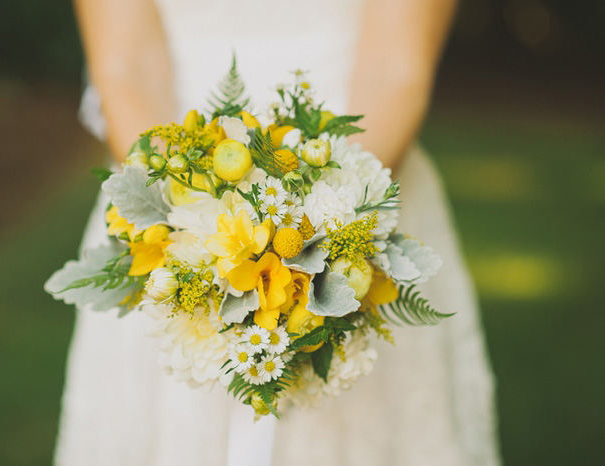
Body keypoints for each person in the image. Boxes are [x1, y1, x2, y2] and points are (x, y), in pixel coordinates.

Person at [56, 0, 502, 464]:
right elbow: (128, 67)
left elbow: (394, 70)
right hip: (176, 203)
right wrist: (184, 222)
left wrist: (324, 231)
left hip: (361, 177)